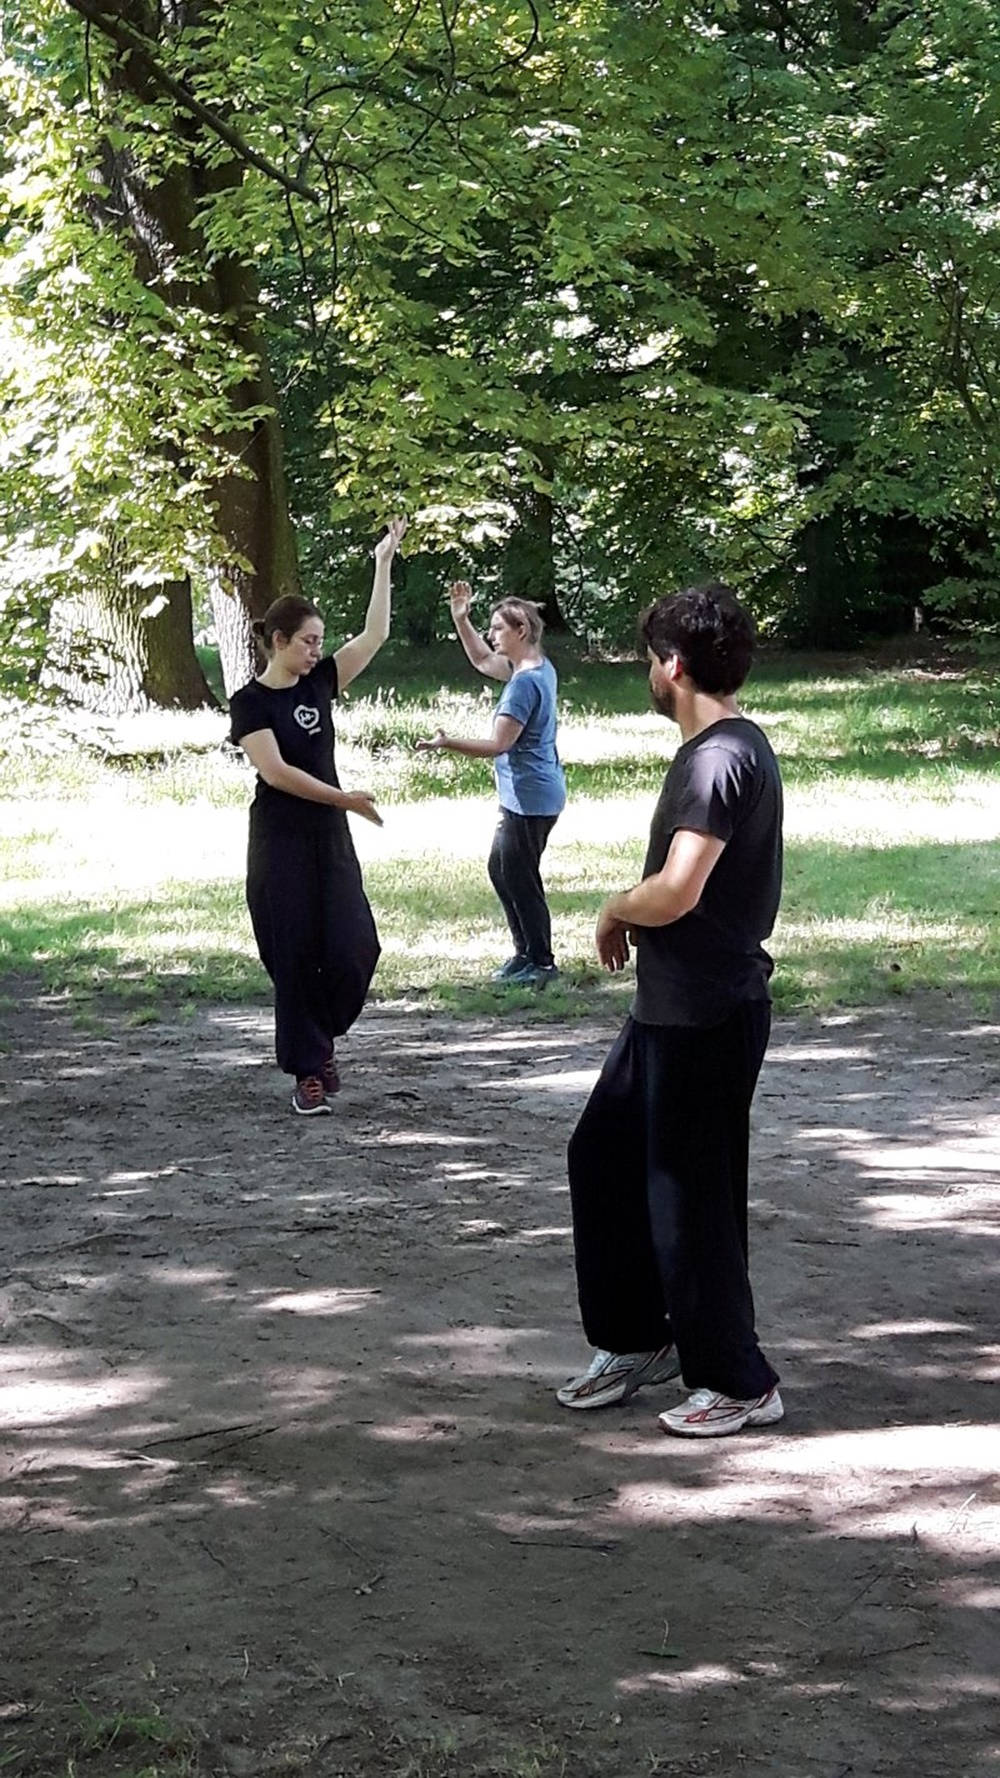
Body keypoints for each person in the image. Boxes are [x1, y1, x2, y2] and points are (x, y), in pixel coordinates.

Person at [557, 582, 784, 1436]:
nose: (650, 673)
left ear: (675, 668)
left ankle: (737, 1380)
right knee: (604, 1158)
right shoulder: (713, 751)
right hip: (669, 1006)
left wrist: (616, 906)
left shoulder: (723, 758)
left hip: (709, 1012)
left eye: (653, 659)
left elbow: (680, 890)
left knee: (692, 1198)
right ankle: (637, 1337)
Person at [228, 518, 407, 1115]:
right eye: (307, 641)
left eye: (318, 641)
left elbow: (375, 634)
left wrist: (383, 562)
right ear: (278, 641)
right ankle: (307, 1067)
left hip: (329, 838)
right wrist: (345, 798)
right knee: (295, 950)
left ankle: (320, 1036)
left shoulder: (321, 682)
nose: (316, 650)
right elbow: (276, 773)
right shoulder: (250, 703)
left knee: (357, 945)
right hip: (280, 840)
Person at [416, 582, 566, 986]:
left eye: (498, 628)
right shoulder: (533, 667)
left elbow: (499, 744)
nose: (491, 635)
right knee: (502, 870)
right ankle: (525, 955)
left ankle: (542, 962)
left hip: (532, 797)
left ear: (521, 631)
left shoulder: (524, 684)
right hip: (529, 794)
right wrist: (460, 619)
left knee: (520, 876)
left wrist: (446, 743)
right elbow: (483, 661)